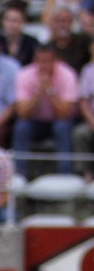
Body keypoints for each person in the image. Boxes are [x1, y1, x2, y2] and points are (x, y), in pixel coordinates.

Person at [12, 41, 79, 176]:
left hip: (60, 121)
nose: (44, 66)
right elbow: (22, 113)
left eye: (48, 61)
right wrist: (37, 93)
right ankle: (20, 174)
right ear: (34, 61)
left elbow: (65, 114)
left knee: (62, 127)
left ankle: (65, 174)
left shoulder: (68, 74)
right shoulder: (25, 75)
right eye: (40, 61)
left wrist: (50, 91)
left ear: (56, 60)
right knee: (21, 127)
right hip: (35, 122)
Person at [47, 4, 91, 74]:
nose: (62, 25)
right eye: (59, 21)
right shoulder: (47, 48)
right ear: (52, 23)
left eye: (66, 21)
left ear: (72, 22)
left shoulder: (84, 41)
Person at [72, 38, 94, 178]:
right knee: (80, 133)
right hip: (92, 121)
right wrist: (92, 122)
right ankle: (86, 174)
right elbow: (83, 101)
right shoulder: (88, 70)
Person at [0, 0, 38, 68]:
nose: (11, 25)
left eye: (15, 21)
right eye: (8, 20)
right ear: (3, 21)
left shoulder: (32, 43)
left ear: (23, 21)